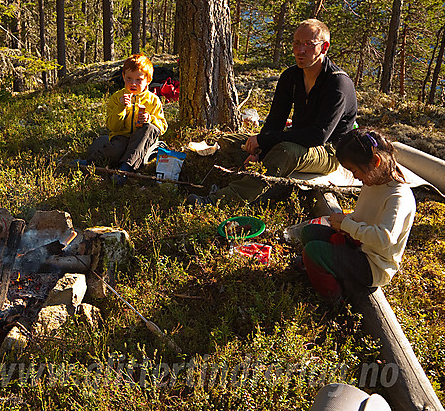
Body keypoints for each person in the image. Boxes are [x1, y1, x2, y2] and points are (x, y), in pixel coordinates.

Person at [187, 18, 357, 205]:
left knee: (285, 151)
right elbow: (275, 120)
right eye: (297, 43)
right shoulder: (290, 77)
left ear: (324, 48)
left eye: (309, 45)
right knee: (231, 141)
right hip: (298, 140)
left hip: (329, 152)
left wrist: (265, 141)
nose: (300, 51)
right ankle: (256, 178)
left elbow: (319, 136)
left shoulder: (337, 83)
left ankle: (221, 200)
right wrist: (260, 149)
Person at [299, 128, 416, 300]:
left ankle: (334, 299)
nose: (355, 177)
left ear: (375, 161)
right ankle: (328, 270)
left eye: (354, 170)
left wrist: (347, 225)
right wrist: (346, 221)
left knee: (313, 251)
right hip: (358, 245)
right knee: (309, 232)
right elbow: (363, 215)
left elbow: (385, 238)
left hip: (373, 265)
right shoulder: (373, 182)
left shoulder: (398, 197)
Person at [84, 54, 168, 185]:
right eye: (129, 78)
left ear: (148, 80)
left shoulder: (153, 100)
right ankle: (90, 162)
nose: (133, 83)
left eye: (138, 80)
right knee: (116, 149)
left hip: (141, 142)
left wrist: (150, 119)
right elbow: (112, 126)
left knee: (150, 129)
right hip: (121, 138)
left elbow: (162, 126)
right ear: (123, 77)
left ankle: (124, 170)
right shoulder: (117, 98)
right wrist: (120, 108)